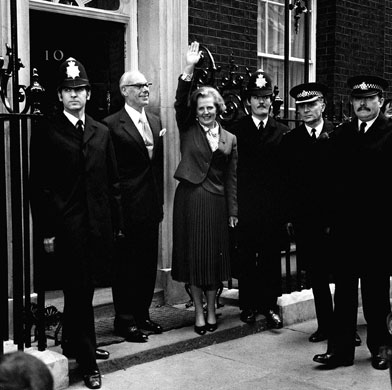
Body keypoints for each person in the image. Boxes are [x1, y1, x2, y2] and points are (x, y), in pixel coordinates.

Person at [29, 57, 122, 389]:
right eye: (68, 90)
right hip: (68, 229)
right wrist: (47, 231)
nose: (74, 96)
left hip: (98, 228)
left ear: (88, 94)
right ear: (59, 96)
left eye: (79, 89)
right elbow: (38, 187)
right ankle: (87, 362)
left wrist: (116, 224)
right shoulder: (48, 131)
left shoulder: (101, 132)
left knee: (83, 292)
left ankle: (73, 343)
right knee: (80, 293)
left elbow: (113, 183)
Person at [313, 75, 392, 369]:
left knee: (376, 294)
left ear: (380, 102)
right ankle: (340, 350)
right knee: (344, 293)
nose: (362, 104)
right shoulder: (343, 135)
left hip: (378, 229)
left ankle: (382, 347)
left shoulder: (389, 133)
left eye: (369, 99)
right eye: (357, 99)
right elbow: (330, 182)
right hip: (346, 230)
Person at [171, 41, 238, 335]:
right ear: (195, 111)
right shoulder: (187, 127)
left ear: (218, 108)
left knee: (213, 260)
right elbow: (180, 101)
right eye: (201, 108)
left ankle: (213, 309)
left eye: (211, 107)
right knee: (196, 260)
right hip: (191, 199)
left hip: (217, 202)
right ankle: (198, 312)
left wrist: (233, 211)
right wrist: (189, 67)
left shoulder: (230, 138)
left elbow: (232, 177)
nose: (206, 112)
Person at [103, 70, 164, 342]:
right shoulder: (111, 125)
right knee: (125, 266)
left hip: (150, 207)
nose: (145, 89)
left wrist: (159, 203)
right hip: (126, 208)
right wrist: (115, 214)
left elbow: (157, 167)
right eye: (138, 86)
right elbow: (109, 174)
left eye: (147, 84)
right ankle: (125, 320)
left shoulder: (154, 120)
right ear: (124, 91)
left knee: (147, 264)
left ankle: (142, 315)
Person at [230, 69, 288, 327]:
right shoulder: (235, 131)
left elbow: (290, 175)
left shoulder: (283, 132)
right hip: (246, 206)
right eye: (256, 97)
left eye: (266, 96)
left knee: (270, 258)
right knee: (246, 257)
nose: (262, 101)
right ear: (248, 101)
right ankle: (248, 306)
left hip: (273, 209)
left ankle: (269, 305)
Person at [281, 82, 334, 342]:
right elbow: (287, 183)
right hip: (306, 221)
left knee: (343, 276)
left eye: (312, 104)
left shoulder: (338, 136)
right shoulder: (291, 141)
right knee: (316, 275)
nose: (306, 110)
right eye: (302, 106)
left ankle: (345, 329)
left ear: (323, 105)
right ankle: (325, 325)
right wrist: (290, 216)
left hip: (335, 220)